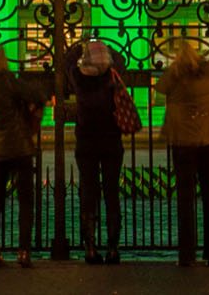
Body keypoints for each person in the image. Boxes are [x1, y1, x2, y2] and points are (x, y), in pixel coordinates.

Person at [156, 37, 209, 266]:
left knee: (185, 199)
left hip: (183, 143)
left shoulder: (175, 73)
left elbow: (160, 92)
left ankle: (186, 254)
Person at [0, 43, 46, 267]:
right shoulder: (9, 81)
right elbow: (37, 94)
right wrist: (33, 112)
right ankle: (24, 250)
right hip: (20, 147)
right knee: (25, 202)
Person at [61, 38, 127, 263]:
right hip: (111, 142)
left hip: (87, 143)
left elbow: (67, 63)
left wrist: (79, 46)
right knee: (111, 193)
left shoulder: (79, 79)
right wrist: (106, 46)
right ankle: (113, 248)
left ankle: (90, 248)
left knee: (88, 194)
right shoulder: (112, 76)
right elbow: (121, 60)